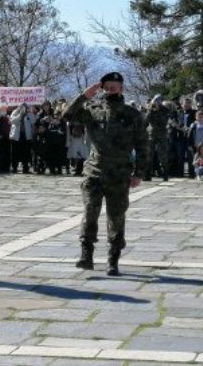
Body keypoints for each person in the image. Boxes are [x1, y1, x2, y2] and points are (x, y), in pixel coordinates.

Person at [63, 71, 148, 276]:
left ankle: (113, 257)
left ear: (121, 88)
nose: (111, 90)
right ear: (102, 88)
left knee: (116, 216)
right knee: (90, 211)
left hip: (119, 173)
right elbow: (67, 115)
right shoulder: (92, 110)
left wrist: (139, 173)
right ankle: (86, 254)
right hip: (94, 170)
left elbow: (143, 145)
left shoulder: (132, 114)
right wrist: (85, 95)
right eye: (107, 86)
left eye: (114, 87)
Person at [144, 94, 169, 181]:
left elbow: (164, 122)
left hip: (162, 135)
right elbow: (145, 122)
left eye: (158, 101)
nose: (157, 103)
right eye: (155, 101)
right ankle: (148, 175)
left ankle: (165, 174)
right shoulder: (150, 110)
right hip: (152, 134)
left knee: (163, 155)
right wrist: (150, 111)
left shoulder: (165, 110)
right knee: (149, 155)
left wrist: (158, 111)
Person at [9, 103, 34, 173]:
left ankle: (25, 168)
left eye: (25, 106)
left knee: (26, 152)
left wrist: (28, 113)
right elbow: (11, 121)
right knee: (15, 153)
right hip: (16, 135)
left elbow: (33, 121)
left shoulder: (29, 113)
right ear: (19, 107)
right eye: (22, 106)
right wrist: (20, 115)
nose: (23, 108)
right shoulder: (15, 112)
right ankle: (14, 168)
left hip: (25, 135)